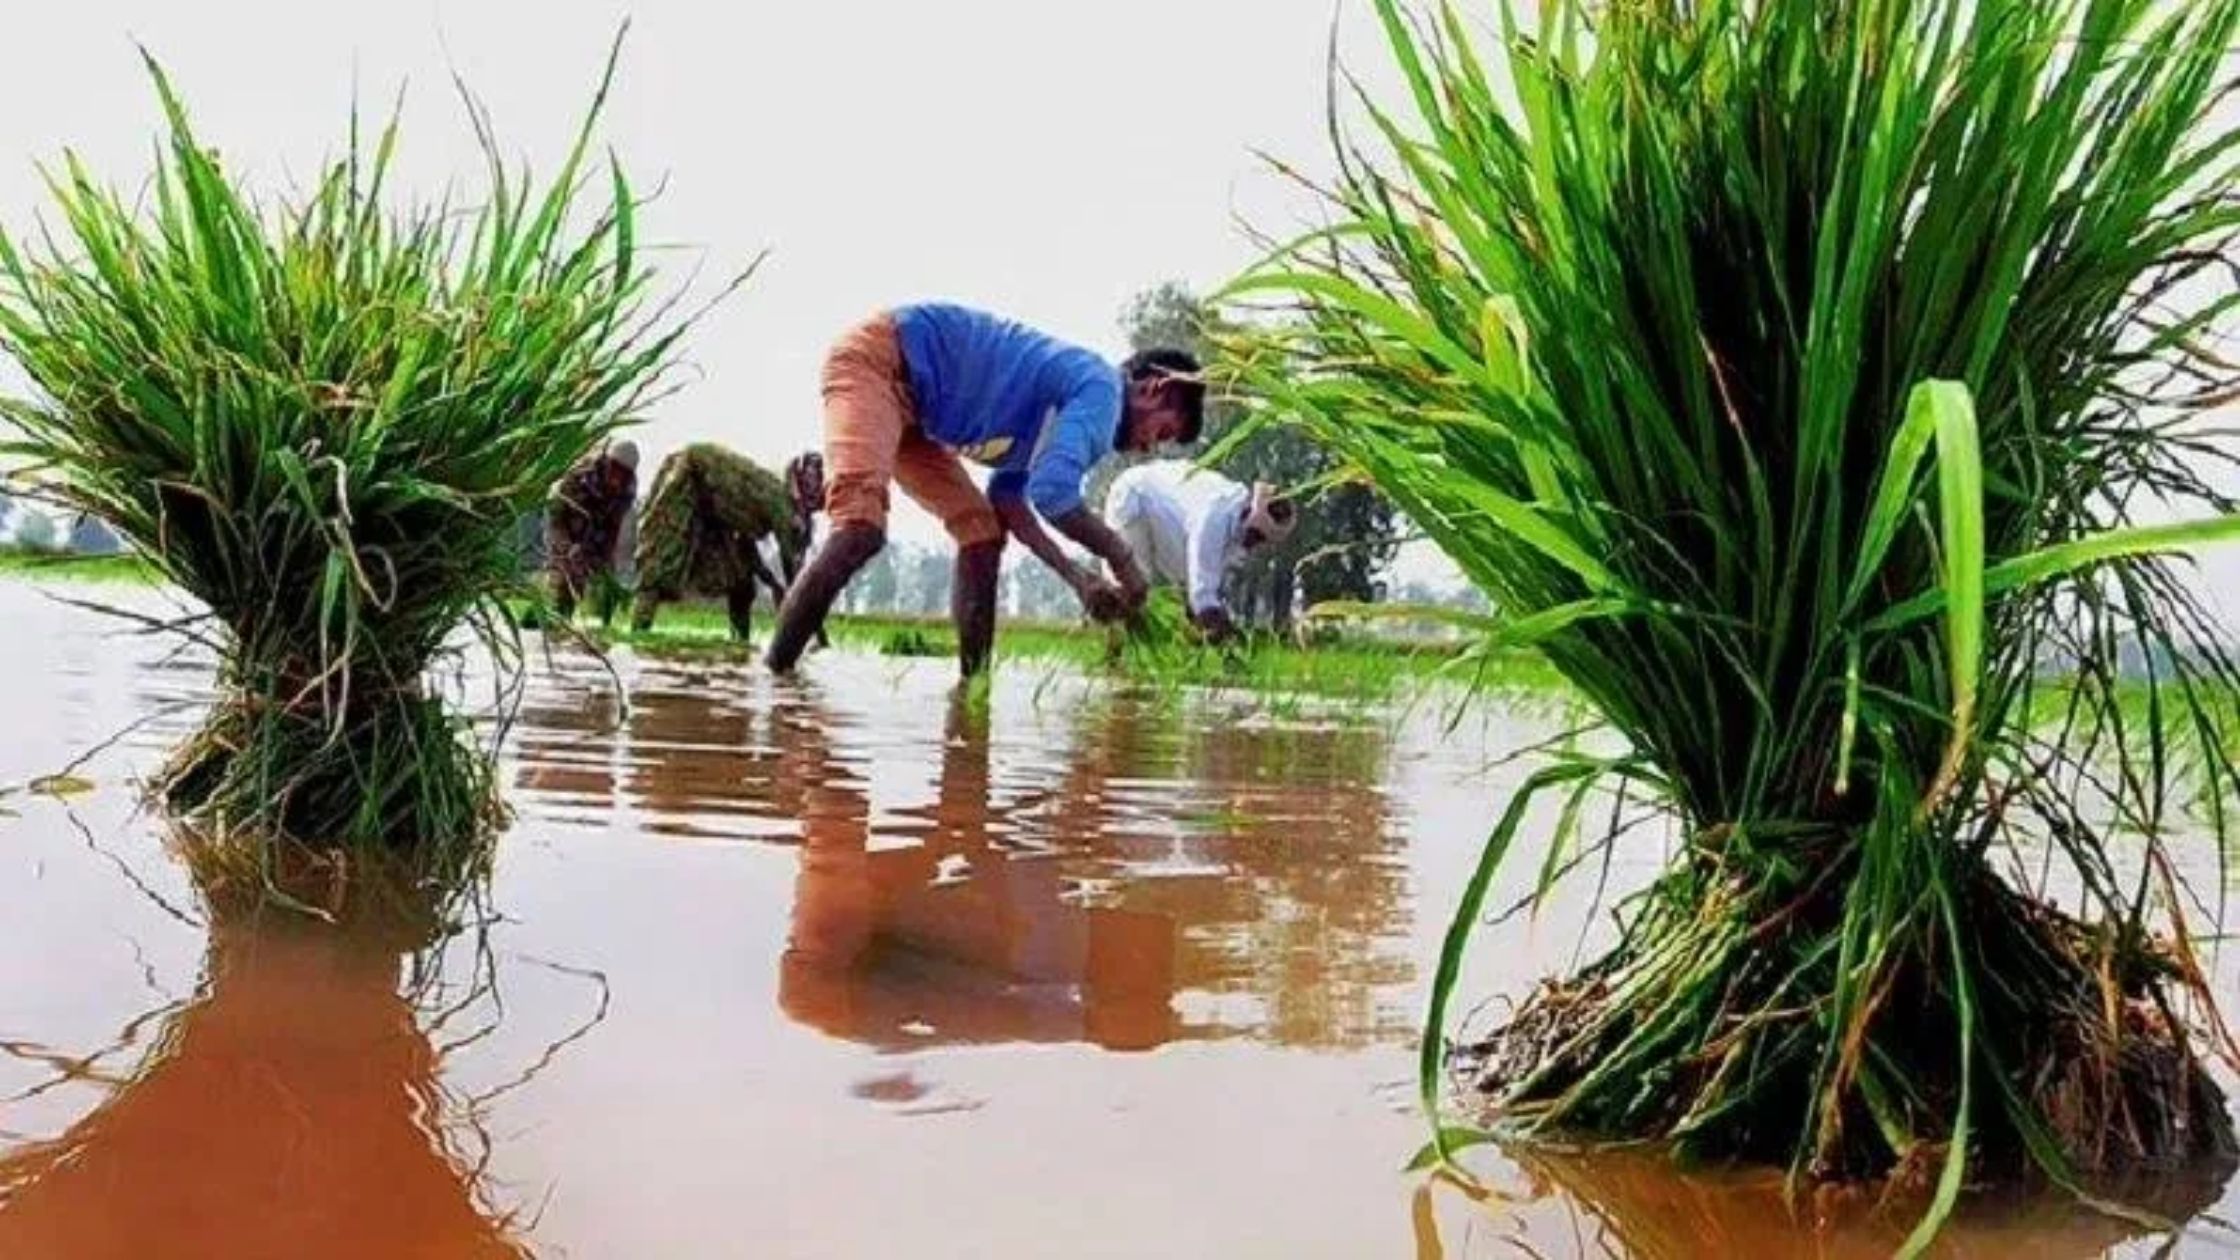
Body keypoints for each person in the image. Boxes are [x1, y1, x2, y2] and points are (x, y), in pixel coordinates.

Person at [766, 303, 1207, 677]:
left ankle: (973, 690)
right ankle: (776, 682)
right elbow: (1053, 493)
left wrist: (1078, 579)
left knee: (982, 534)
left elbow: (1009, 502)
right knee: (860, 528)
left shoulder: (1069, 406)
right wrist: (1122, 559)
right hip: (881, 364)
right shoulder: (1102, 394)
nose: (1148, 447)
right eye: (1161, 432)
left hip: (918, 417)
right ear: (1153, 389)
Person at [630, 443, 825, 643]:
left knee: (741, 580)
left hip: (713, 508)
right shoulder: (781, 504)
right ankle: (637, 633)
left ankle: (740, 641)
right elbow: (797, 579)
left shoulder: (771, 502)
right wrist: (819, 637)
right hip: (690, 475)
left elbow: (747, 549)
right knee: (660, 564)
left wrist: (773, 583)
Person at [1105, 460, 1298, 643]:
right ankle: (1118, 654)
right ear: (1247, 514)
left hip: (1168, 522)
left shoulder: (1236, 531)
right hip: (1135, 498)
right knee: (1132, 588)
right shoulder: (1214, 516)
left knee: (1177, 602)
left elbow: (1203, 582)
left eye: (1261, 540)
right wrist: (1223, 631)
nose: (1253, 544)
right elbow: (1202, 592)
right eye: (1255, 535)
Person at [545, 439, 639, 623]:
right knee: (564, 572)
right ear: (606, 462)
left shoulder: (628, 488)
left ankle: (589, 621)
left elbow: (614, 526)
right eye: (615, 469)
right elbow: (556, 518)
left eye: (624, 474)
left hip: (597, 529)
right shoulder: (579, 474)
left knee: (596, 578)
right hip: (567, 521)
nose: (618, 478)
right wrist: (566, 546)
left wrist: (606, 559)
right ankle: (552, 618)